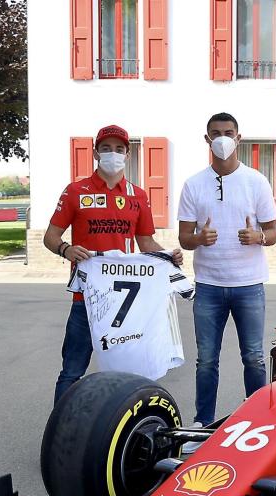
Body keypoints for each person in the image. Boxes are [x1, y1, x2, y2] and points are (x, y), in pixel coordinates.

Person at [43, 124, 182, 405]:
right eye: (106, 148)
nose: (112, 154)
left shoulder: (138, 195)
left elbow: (146, 244)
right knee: (72, 371)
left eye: (119, 149)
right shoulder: (75, 191)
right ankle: (61, 430)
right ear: (96, 153)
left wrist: (168, 257)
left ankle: (121, 426)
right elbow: (50, 237)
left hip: (125, 303)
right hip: (86, 297)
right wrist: (66, 249)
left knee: (128, 371)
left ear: (127, 155)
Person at [177, 112, 276, 430]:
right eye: (216, 133)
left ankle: (258, 420)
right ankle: (202, 422)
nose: (222, 138)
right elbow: (184, 238)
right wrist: (199, 239)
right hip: (208, 285)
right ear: (207, 139)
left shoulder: (256, 181)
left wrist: (258, 237)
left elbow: (273, 233)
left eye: (228, 132)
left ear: (238, 137)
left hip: (248, 284)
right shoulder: (193, 185)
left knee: (253, 357)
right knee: (206, 359)